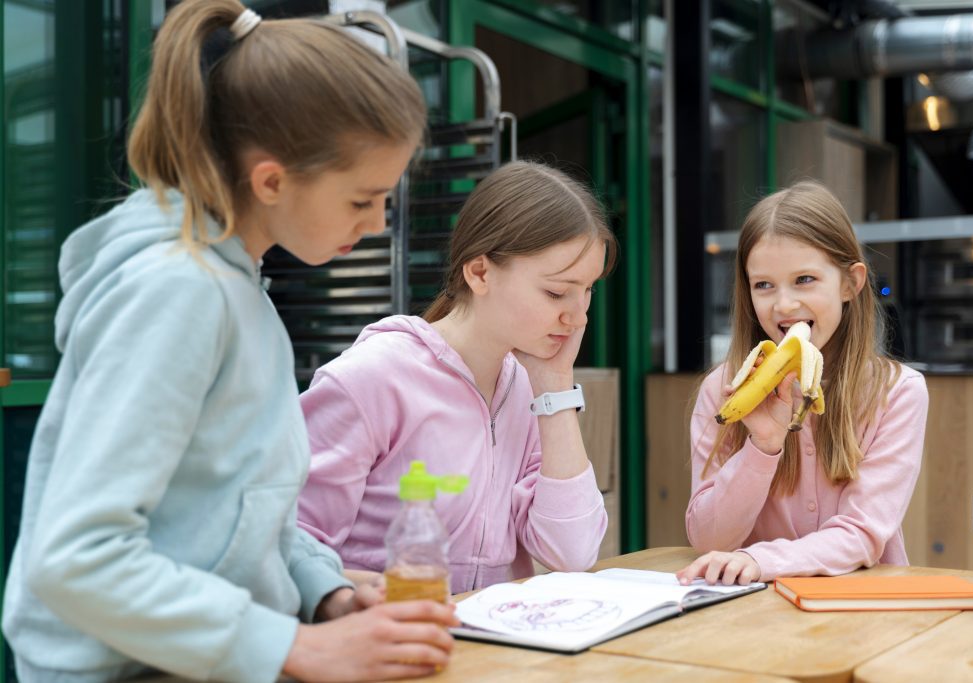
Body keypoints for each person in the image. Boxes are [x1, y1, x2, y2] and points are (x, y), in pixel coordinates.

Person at [1, 2, 458, 681]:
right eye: (363, 199)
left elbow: (242, 515)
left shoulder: (240, 290)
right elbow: (78, 556)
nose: (376, 223)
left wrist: (324, 593)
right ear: (271, 180)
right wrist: (296, 647)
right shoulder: (179, 292)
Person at [298, 161, 615, 593]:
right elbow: (290, 549)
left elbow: (572, 552)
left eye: (588, 290)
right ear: (479, 272)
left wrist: (556, 385)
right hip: (389, 641)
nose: (577, 317)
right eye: (557, 292)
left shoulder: (526, 385)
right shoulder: (370, 379)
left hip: (496, 647)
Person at [677, 181, 927, 587]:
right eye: (764, 285)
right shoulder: (722, 391)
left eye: (805, 279)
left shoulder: (897, 392)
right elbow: (708, 539)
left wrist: (763, 560)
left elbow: (864, 533)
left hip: (864, 612)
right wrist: (762, 446)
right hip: (754, 614)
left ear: (851, 283)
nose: (784, 305)